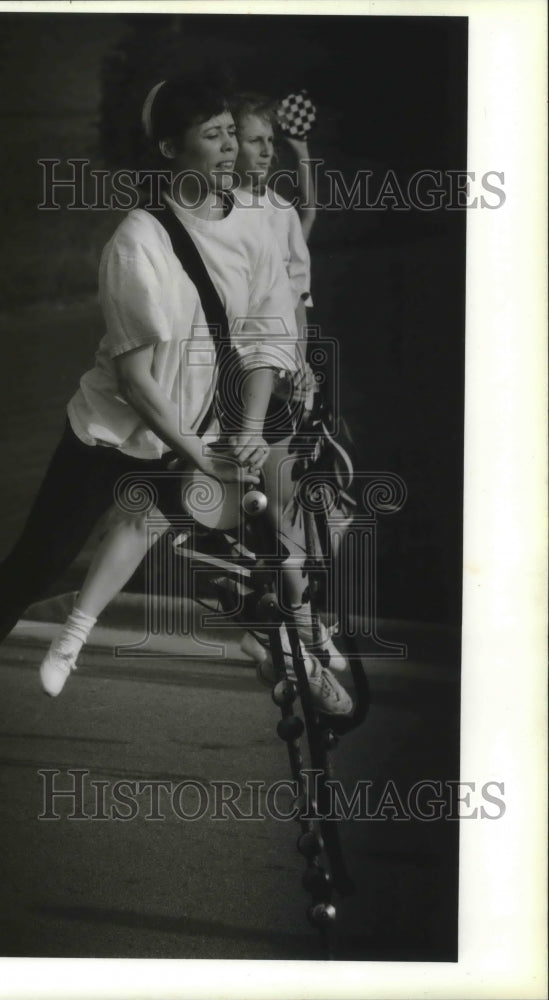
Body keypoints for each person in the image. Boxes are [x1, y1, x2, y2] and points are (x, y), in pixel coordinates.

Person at [0, 71, 306, 751]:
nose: (231, 148)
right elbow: (138, 383)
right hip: (117, 435)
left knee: (258, 536)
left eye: (232, 132)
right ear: (170, 149)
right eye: (212, 137)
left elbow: (269, 335)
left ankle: (302, 662)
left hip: (198, 435)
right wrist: (199, 452)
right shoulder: (137, 241)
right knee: (39, 563)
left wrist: (246, 430)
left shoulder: (261, 226)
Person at [230, 93, 351, 706]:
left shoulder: (275, 210)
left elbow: (295, 294)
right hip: (227, 377)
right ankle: (283, 639)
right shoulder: (214, 213)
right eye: (254, 140)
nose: (260, 151)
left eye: (266, 143)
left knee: (291, 512)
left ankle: (299, 634)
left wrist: (301, 364)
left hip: (280, 378)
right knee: (249, 519)